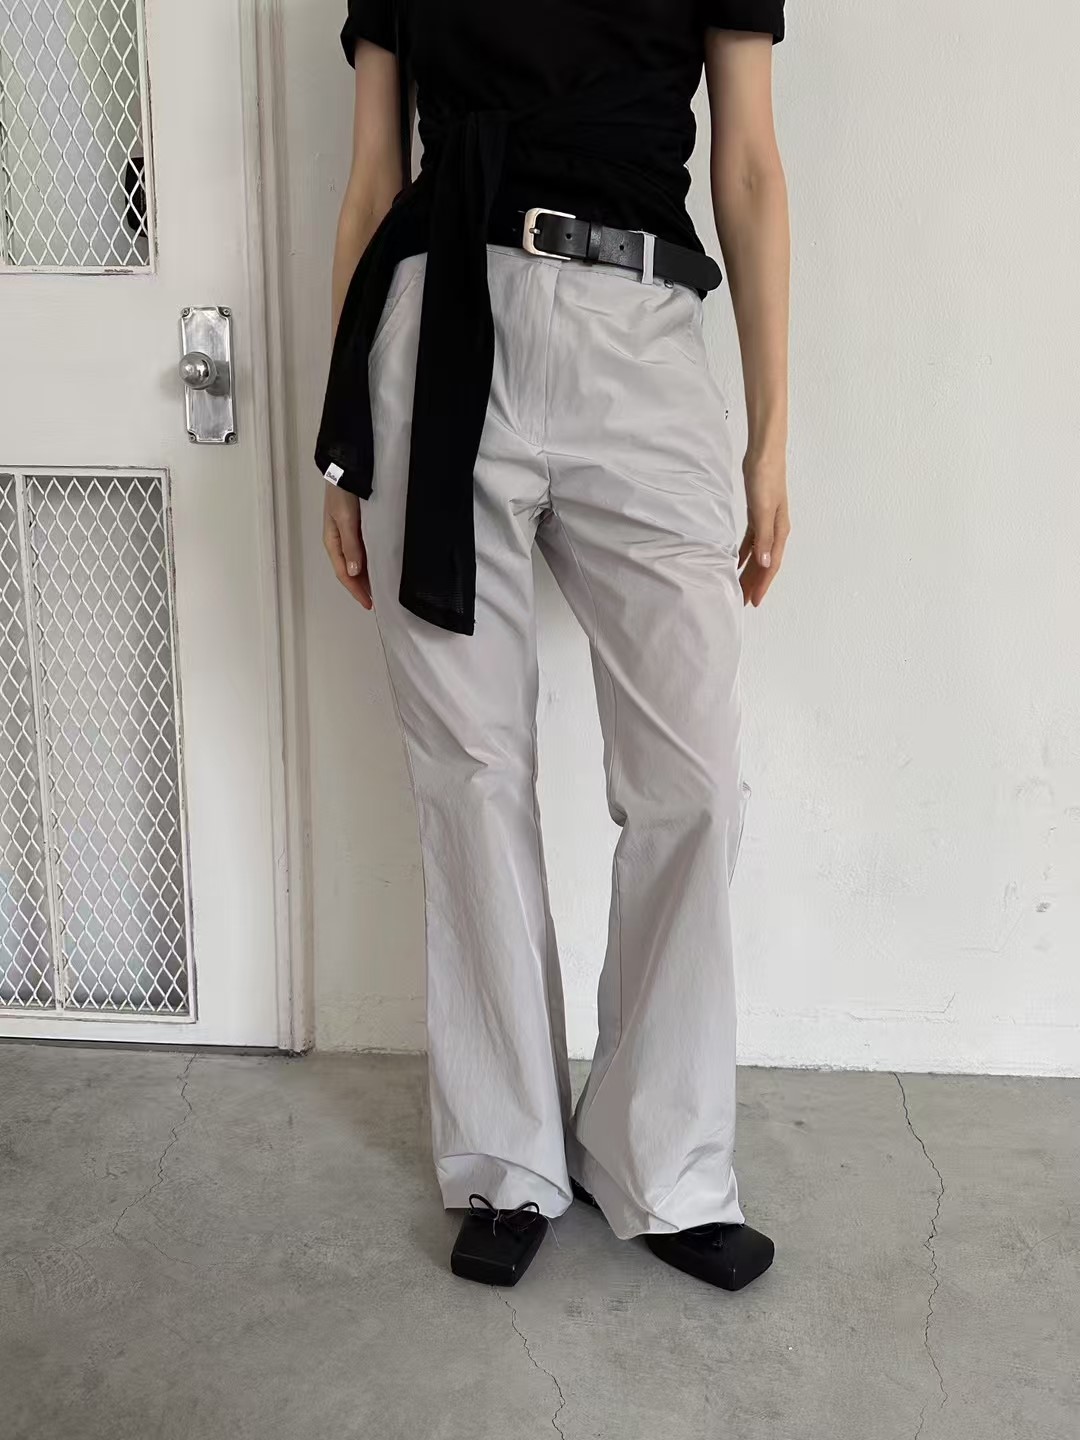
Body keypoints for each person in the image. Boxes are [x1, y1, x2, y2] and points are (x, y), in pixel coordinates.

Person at [316, 0, 790, 1291]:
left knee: (694, 780)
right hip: (441, 327)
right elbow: (375, 173)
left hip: (645, 330)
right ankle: (505, 1159)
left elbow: (749, 164)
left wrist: (768, 436)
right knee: (470, 773)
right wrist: (343, 436)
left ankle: (664, 1160)